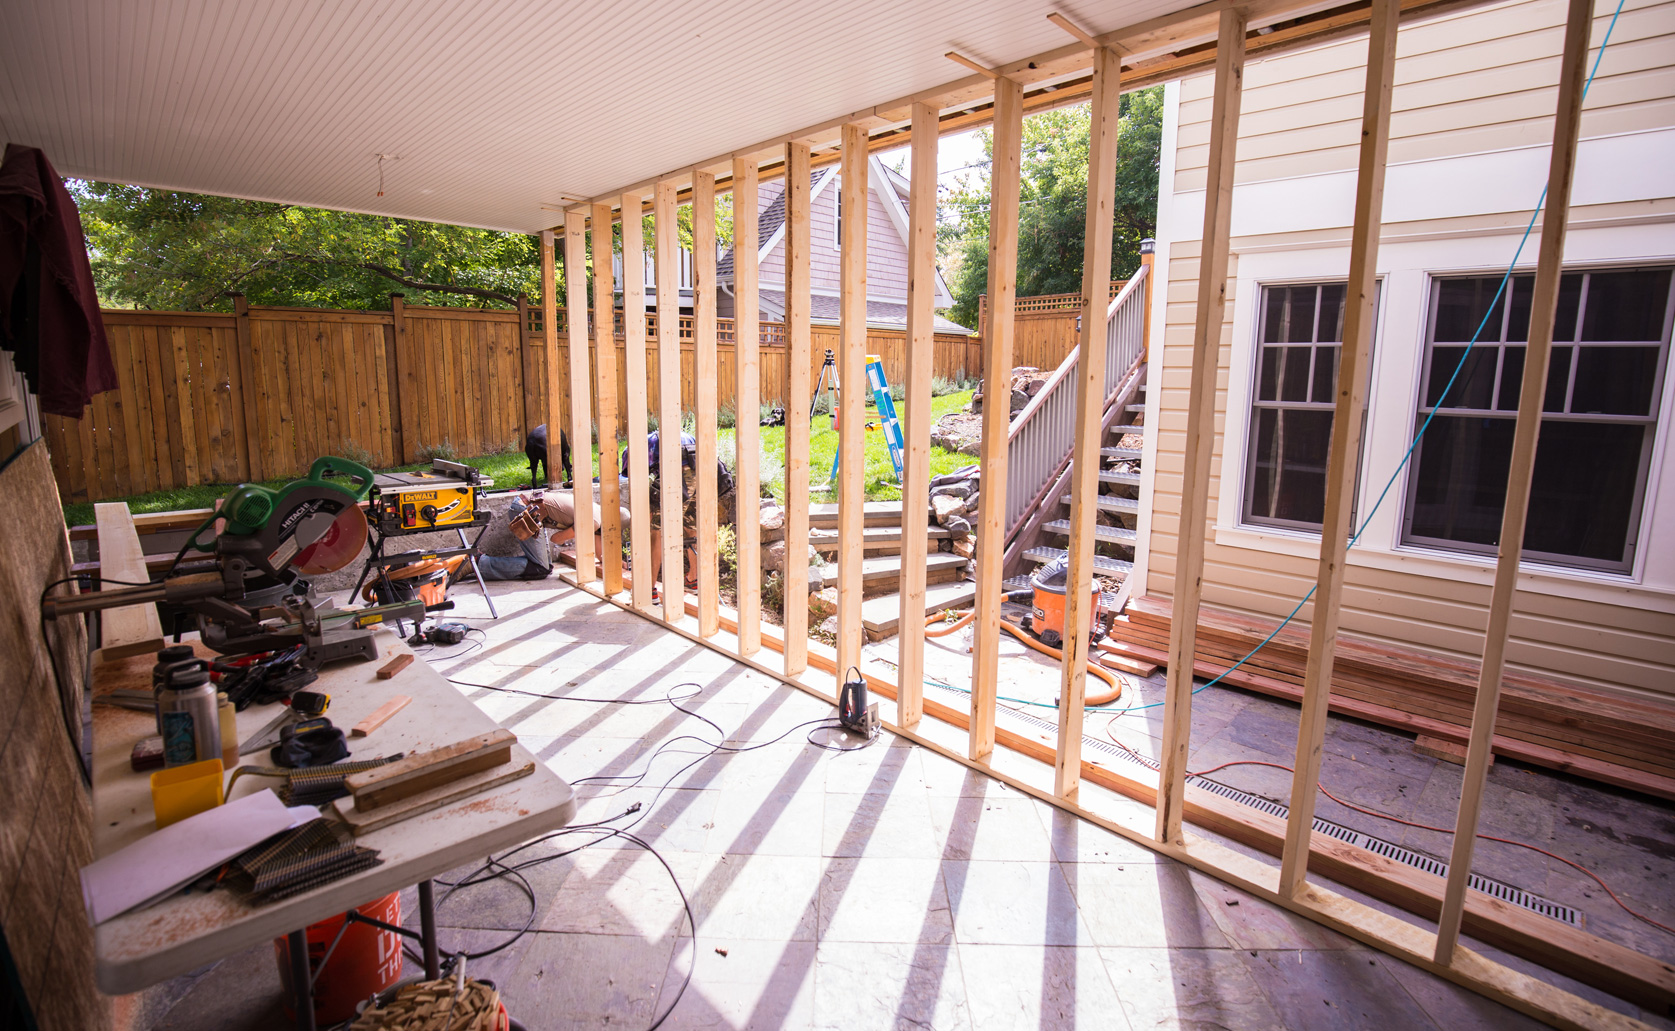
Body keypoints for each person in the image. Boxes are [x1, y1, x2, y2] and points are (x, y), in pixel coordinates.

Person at [476, 491, 662, 584]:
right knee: (541, 568)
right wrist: (577, 532)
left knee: (539, 564)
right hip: (526, 511)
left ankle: (483, 563)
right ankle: (480, 563)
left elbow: (600, 555)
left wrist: (613, 562)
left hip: (527, 506)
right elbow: (557, 539)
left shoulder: (597, 513)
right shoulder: (594, 521)